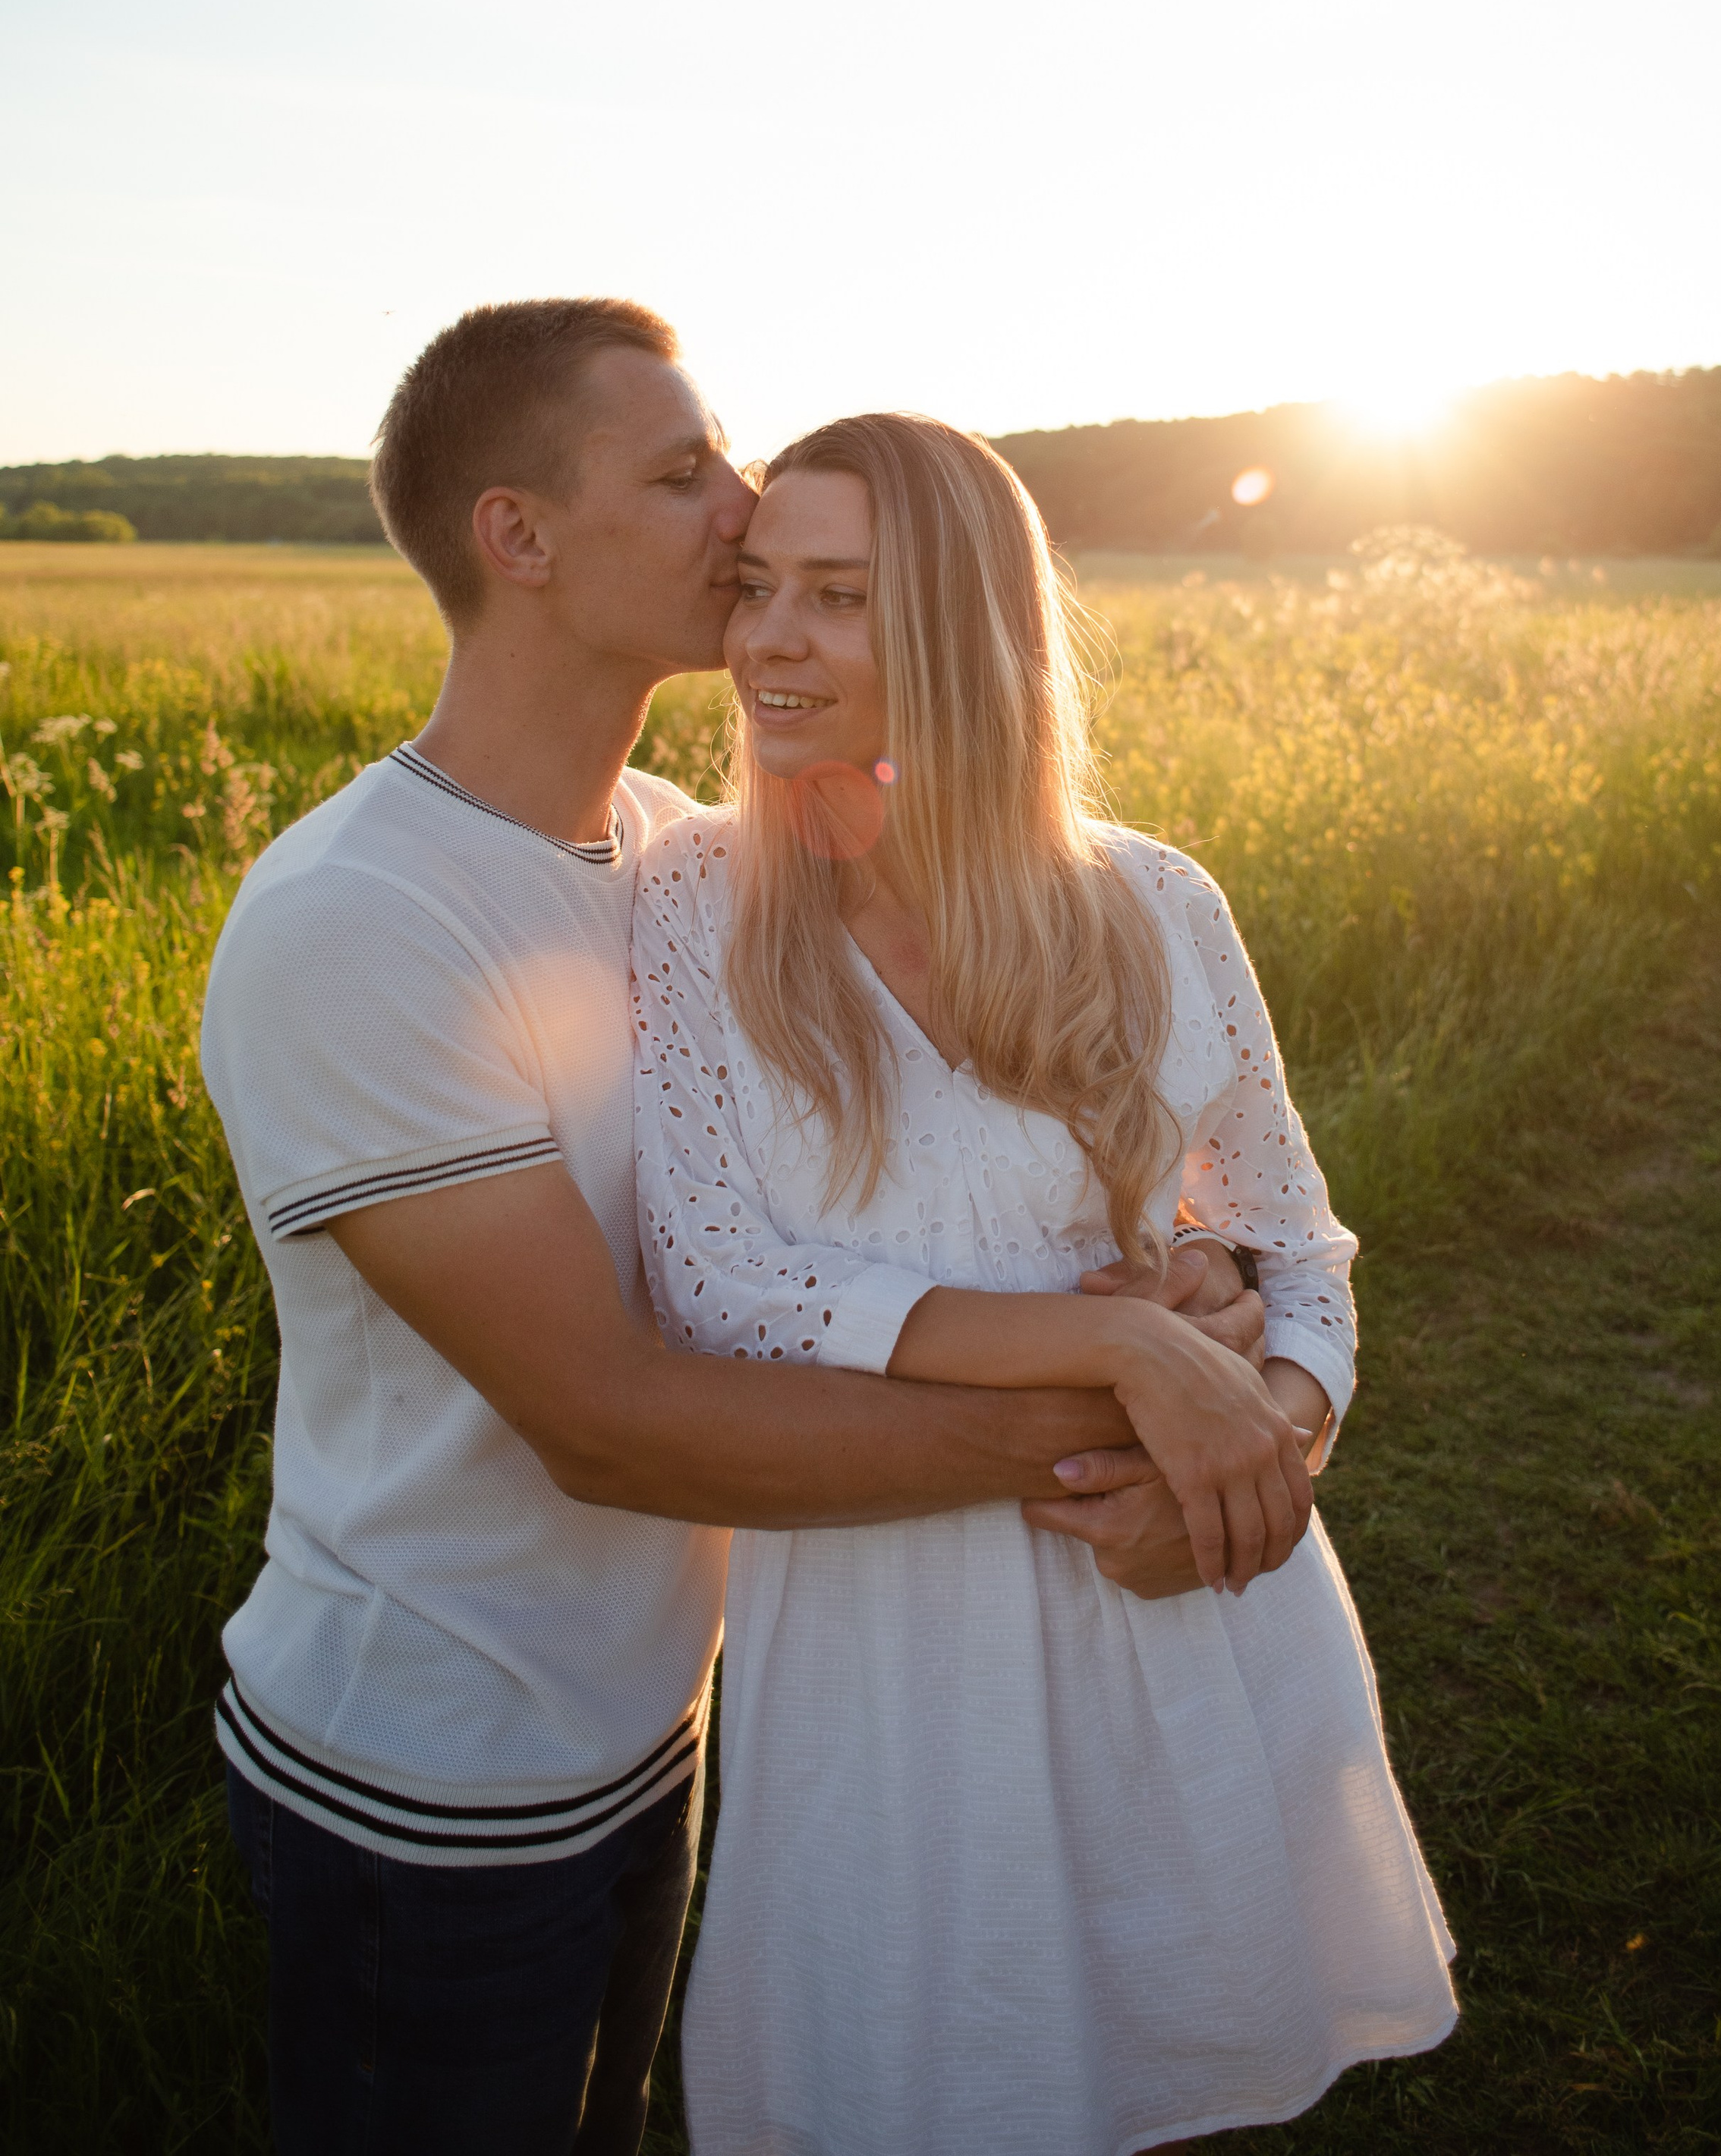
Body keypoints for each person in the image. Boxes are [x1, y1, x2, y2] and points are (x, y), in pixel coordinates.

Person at [200, 299, 1279, 2156]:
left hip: (675, 1712)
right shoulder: (360, 919)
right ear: (517, 537)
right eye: (684, 468)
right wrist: (1139, 1401)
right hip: (437, 1767)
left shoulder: (675, 844)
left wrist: (1185, 1279)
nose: (741, 501)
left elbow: (933, 1125)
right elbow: (608, 1413)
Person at [634, 411, 1458, 2156]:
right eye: (759, 585)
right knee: (908, 2077)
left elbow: (1295, 1247)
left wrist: (1261, 1453)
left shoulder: (1154, 904)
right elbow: (721, 1285)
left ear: (962, 625)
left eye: (839, 595)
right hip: (877, 1646)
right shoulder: (693, 903)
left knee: (1167, 2070)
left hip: (1169, 1605)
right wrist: (1119, 1350)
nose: (767, 636)